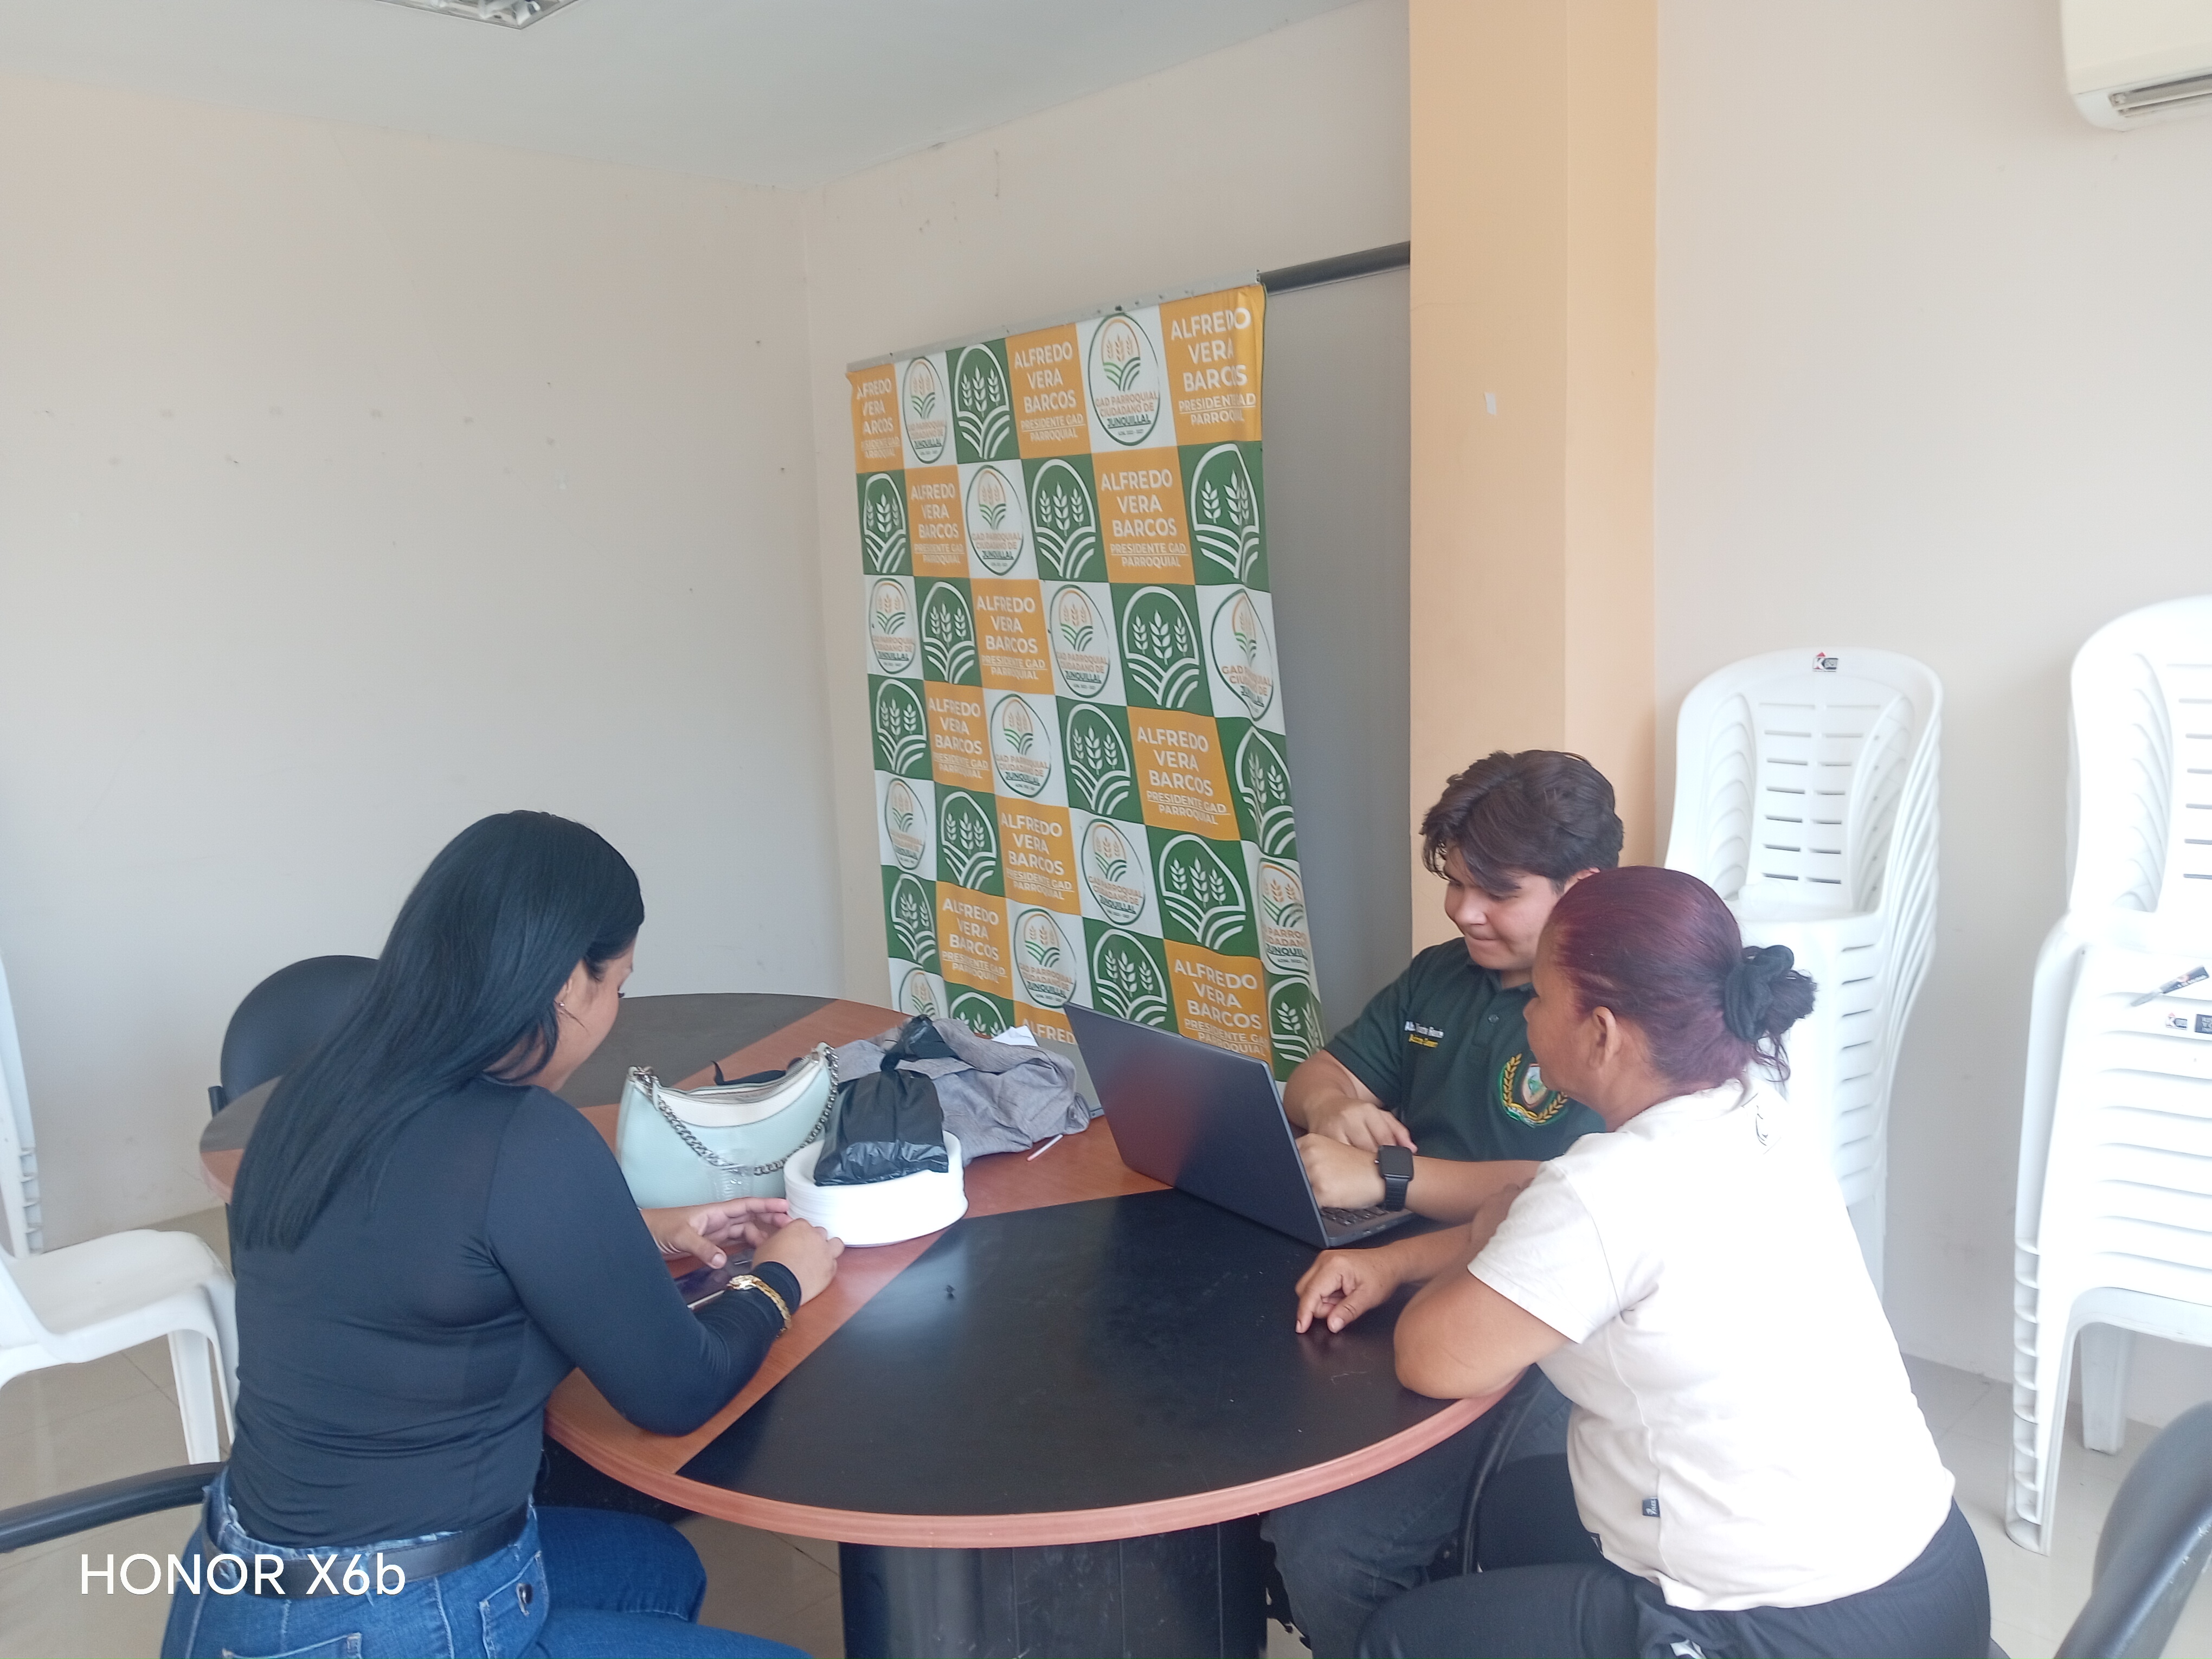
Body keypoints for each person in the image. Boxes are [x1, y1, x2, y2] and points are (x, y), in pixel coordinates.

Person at [164, 812, 845, 1659]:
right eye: (618, 986)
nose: (615, 1011)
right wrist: (778, 1277)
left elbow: (424, 1251)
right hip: (398, 1623)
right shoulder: (523, 1139)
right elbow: (678, 1392)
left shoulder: (315, 1097)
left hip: (237, 1591)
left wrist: (633, 1234)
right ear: (567, 982)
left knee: (655, 1569)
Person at [1294, 866, 1990, 1659]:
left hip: (1796, 1628)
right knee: (1514, 1512)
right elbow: (1557, 1238)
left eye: (1541, 997)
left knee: (1402, 1639)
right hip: (1928, 1578)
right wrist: (1402, 1260)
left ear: (1602, 1033)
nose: (1528, 1013)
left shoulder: (1609, 1188)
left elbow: (1430, 1357)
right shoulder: (1749, 1109)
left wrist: (1465, 1247)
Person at [1264, 750, 1621, 1659]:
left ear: (1580, 890)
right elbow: (1319, 1074)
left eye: (1496, 892)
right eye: (1456, 884)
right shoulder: (1440, 976)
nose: (1465, 910)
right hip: (1397, 1260)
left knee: (1331, 1545)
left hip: (1521, 1303)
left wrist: (1387, 1178)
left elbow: (1562, 1198)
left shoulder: (1601, 1020)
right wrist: (1335, 1109)